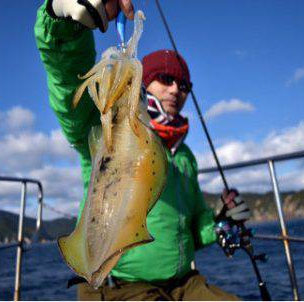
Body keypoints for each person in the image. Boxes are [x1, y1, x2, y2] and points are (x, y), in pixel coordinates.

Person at [35, 0, 251, 300]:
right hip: (121, 284)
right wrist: (64, 20)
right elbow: (67, 81)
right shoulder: (101, 131)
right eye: (166, 79)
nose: (176, 89)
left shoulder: (184, 156)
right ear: (143, 86)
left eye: (184, 84)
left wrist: (220, 222)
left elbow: (191, 229)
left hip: (184, 282)